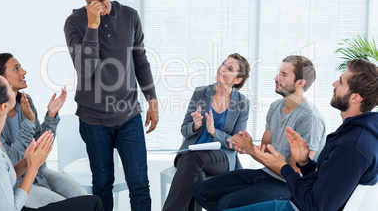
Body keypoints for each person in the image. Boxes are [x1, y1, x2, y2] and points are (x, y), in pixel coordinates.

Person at [63, 0, 158, 211]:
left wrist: (152, 100)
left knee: (139, 184)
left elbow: (140, 61)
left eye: (102, 0)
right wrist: (92, 27)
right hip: (93, 120)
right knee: (103, 184)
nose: (99, 7)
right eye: (90, 2)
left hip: (128, 115)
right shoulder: (74, 23)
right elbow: (86, 69)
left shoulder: (130, 16)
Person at [227, 58, 378, 211]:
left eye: (341, 82)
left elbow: (317, 206)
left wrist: (283, 167)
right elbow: (324, 183)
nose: (334, 84)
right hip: (297, 201)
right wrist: (305, 163)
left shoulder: (352, 147)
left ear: (355, 97)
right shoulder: (351, 133)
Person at [193, 55, 326, 210]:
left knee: (226, 204)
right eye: (279, 73)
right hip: (267, 174)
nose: (276, 78)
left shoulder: (310, 118)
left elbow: (297, 173)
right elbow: (265, 150)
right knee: (201, 192)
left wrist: (252, 151)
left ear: (300, 83)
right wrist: (246, 146)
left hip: (291, 185)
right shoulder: (276, 107)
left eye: (284, 75)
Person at [0, 74, 103, 211]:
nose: (13, 88)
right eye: (9, 88)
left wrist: (25, 161)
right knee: (94, 203)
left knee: (86, 201)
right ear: (4, 106)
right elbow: (10, 209)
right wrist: (32, 168)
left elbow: (2, 179)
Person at [162, 53, 251, 211]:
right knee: (198, 177)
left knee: (192, 160)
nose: (222, 69)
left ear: (238, 80)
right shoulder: (200, 93)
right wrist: (195, 126)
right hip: (193, 153)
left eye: (229, 68)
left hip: (221, 157)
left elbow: (236, 143)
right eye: (223, 64)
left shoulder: (242, 103)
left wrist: (214, 132)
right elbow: (184, 128)